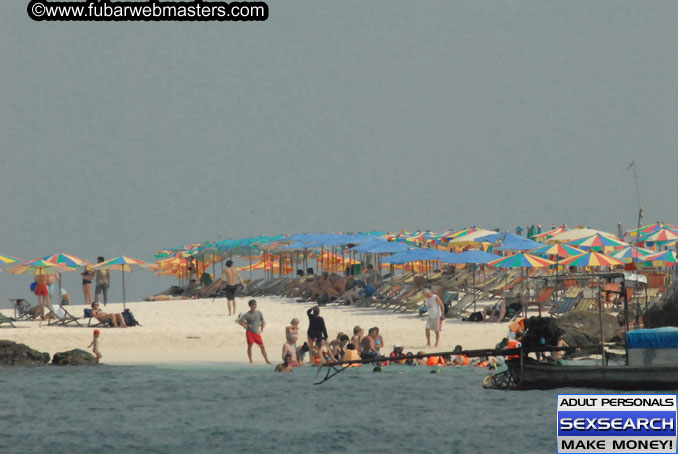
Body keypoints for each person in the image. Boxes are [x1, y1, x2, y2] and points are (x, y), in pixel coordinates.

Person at [237, 299, 271, 364]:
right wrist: (245, 325)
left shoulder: (259, 313)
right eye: (253, 304)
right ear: (250, 306)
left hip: (257, 333)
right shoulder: (247, 314)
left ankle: (266, 360)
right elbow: (240, 321)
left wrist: (262, 329)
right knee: (250, 346)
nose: (254, 306)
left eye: (255, 304)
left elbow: (262, 321)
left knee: (262, 346)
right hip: (249, 333)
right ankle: (250, 361)